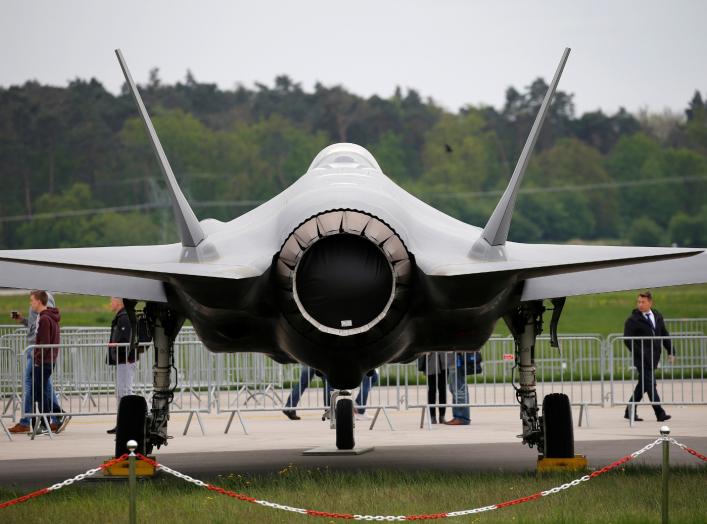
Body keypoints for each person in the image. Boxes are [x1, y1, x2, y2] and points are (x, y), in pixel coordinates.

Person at [9, 291, 67, 434]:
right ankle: (51, 418)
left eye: (32, 301)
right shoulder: (38, 304)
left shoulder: (45, 300)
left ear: (39, 301)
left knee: (36, 385)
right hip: (35, 352)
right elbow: (35, 325)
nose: (31, 303)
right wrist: (22, 319)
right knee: (42, 385)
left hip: (38, 354)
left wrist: (38, 359)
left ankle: (34, 420)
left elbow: (45, 331)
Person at [623, 291, 674, 422]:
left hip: (654, 357)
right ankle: (660, 413)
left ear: (650, 302)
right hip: (641, 359)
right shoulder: (632, 320)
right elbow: (627, 340)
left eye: (643, 302)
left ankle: (629, 411)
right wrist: (640, 353)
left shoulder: (657, 316)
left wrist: (671, 351)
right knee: (650, 384)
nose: (640, 304)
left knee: (643, 385)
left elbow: (664, 334)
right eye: (638, 302)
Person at [106, 297, 138, 434]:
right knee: (121, 392)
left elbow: (125, 339)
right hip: (122, 360)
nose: (110, 303)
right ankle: (122, 423)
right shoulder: (121, 316)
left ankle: (128, 423)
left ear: (119, 302)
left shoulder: (124, 317)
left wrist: (116, 346)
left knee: (125, 391)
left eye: (112, 300)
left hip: (125, 360)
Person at [418, 352, 447, 424]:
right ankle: (432, 416)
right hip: (431, 360)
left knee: (442, 388)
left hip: (443, 359)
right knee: (432, 389)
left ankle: (442, 416)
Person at [443, 351, 470, 425]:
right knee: (454, 388)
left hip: (457, 359)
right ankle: (458, 416)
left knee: (459, 388)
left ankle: (462, 417)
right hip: (452, 360)